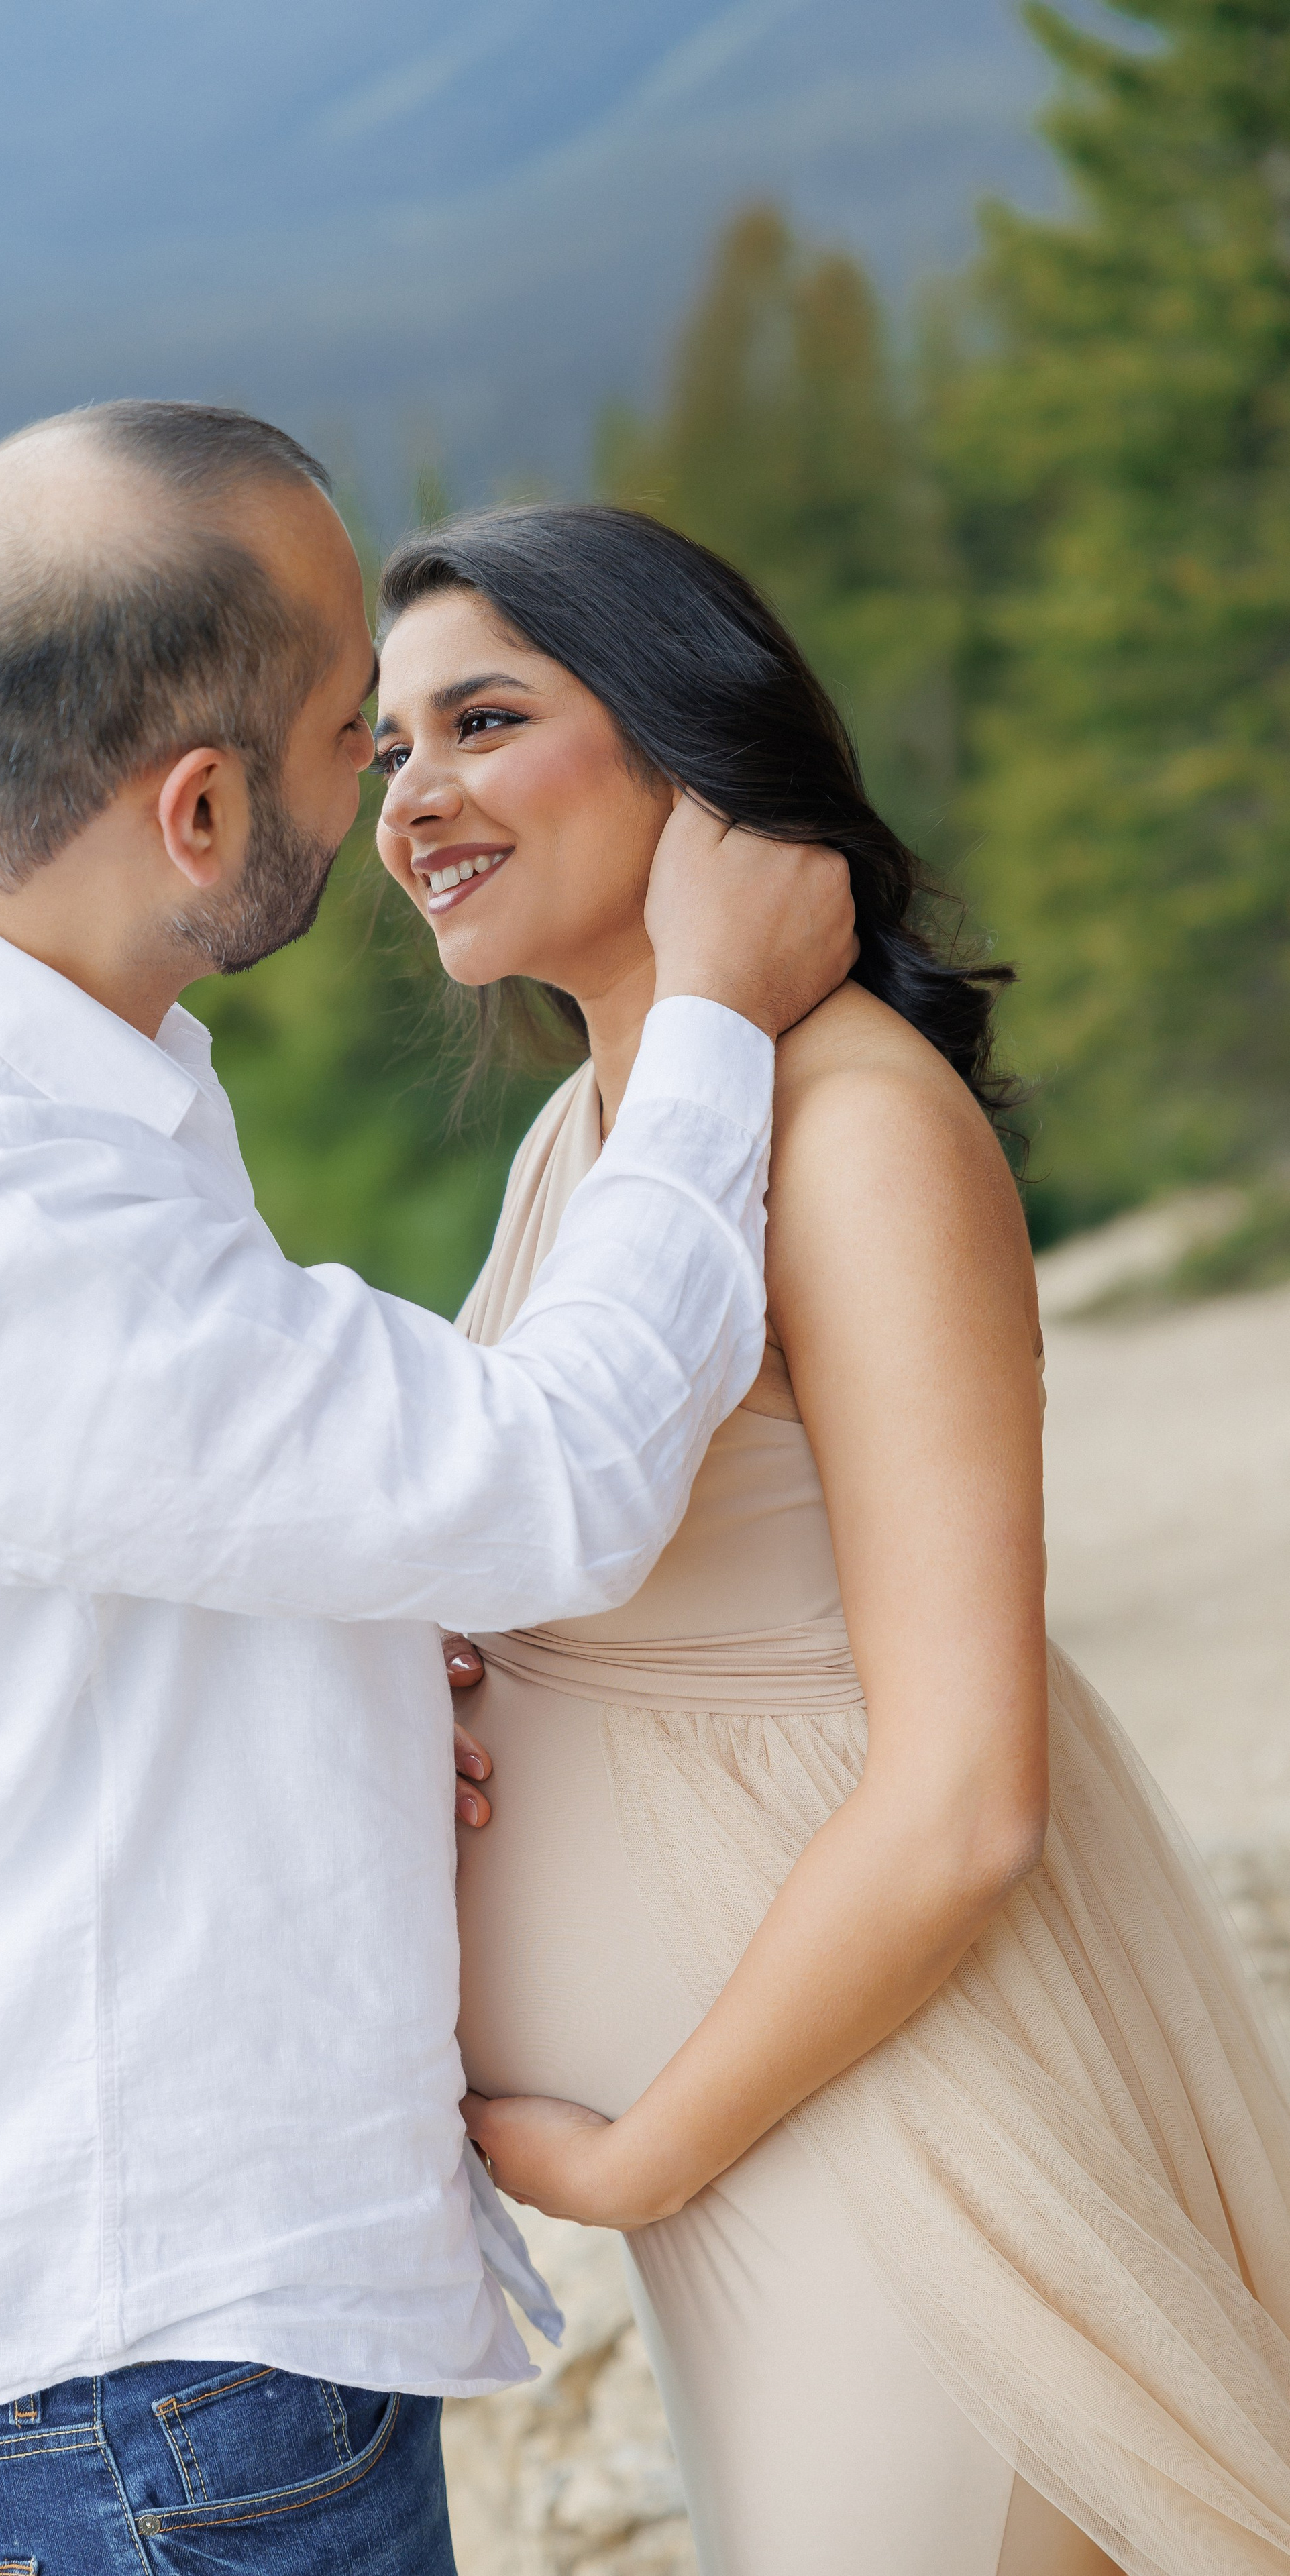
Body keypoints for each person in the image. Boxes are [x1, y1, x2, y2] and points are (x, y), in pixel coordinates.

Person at [0, 406, 855, 2574]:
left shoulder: (16, 1043)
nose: (399, 792)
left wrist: (358, 1688)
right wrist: (718, 1023)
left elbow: (156, 1552)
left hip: (125, 2350)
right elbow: (558, 1478)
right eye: (356, 739)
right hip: (128, 2366)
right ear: (198, 808)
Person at [372, 503, 1290, 2576]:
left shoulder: (856, 1134)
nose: (412, 800)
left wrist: (643, 2158)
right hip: (769, 2150)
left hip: (885, 2140)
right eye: (386, 748)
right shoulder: (596, 1130)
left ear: (694, 749)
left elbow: (969, 1794)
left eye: (483, 721)